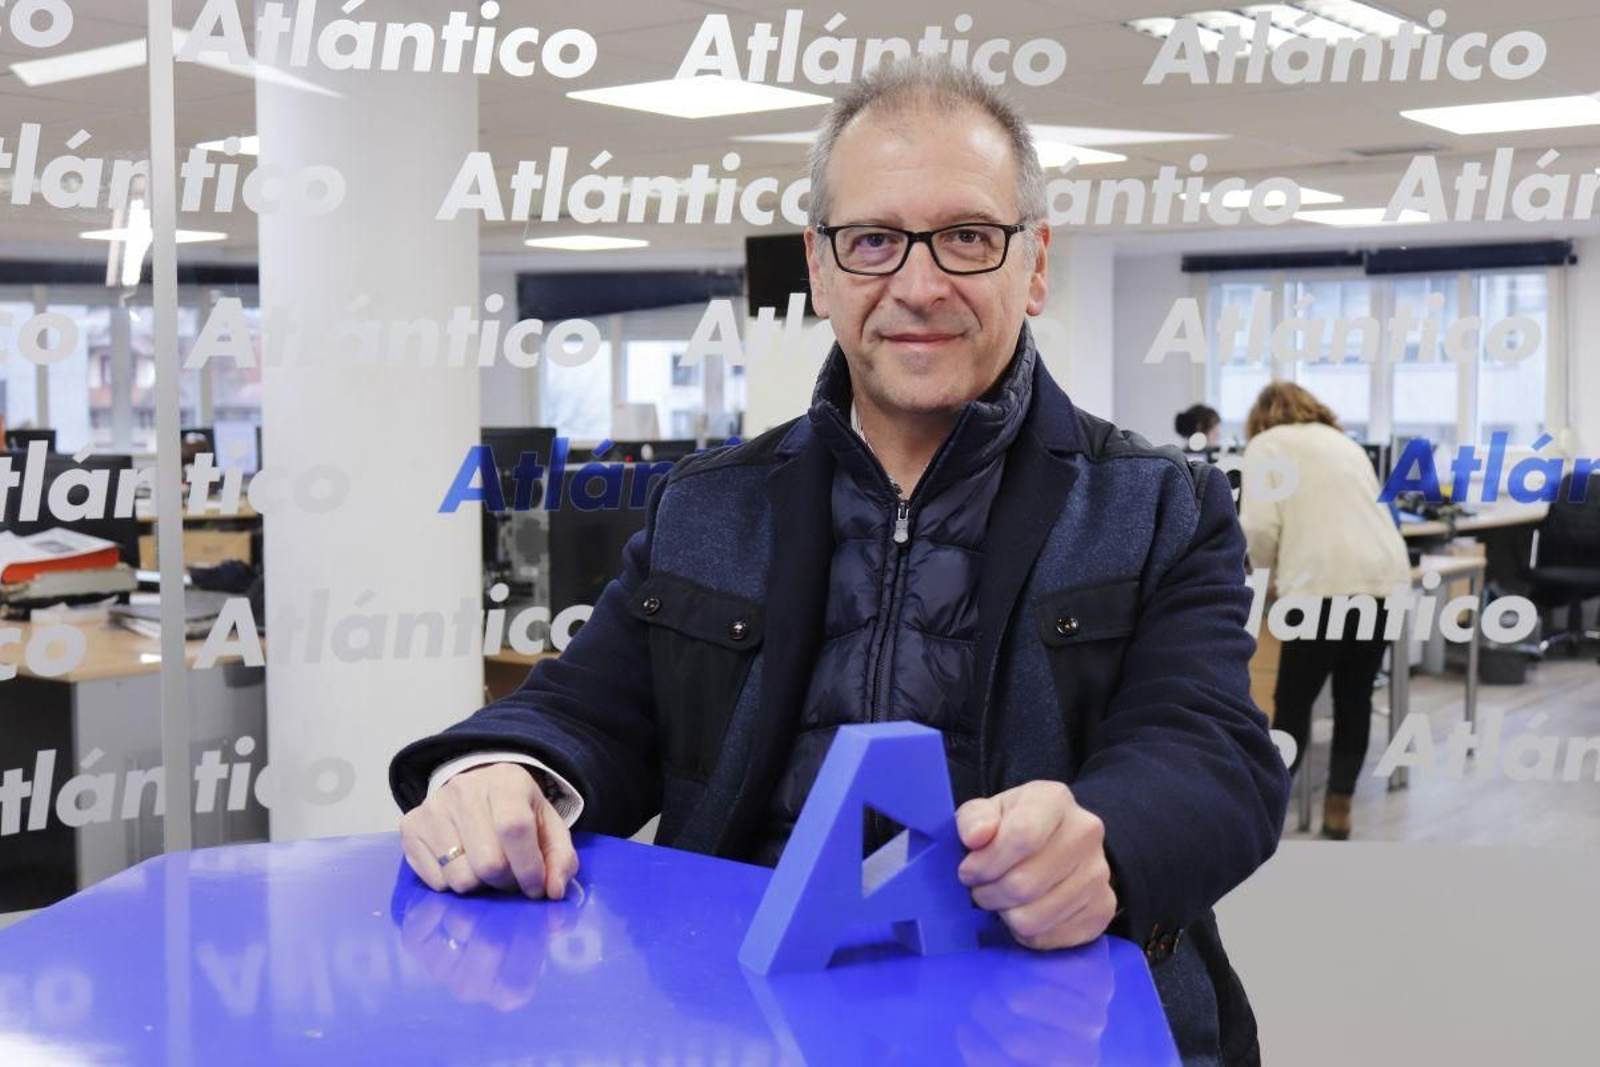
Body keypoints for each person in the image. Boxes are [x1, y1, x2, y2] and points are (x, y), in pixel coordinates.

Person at [390, 58, 1288, 1065]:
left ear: (1032, 263)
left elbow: (1212, 750)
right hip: (743, 1021)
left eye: (966, 236)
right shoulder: (709, 504)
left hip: (1049, 1024)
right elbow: (585, 707)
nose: (917, 283)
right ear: (819, 270)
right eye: (871, 240)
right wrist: (499, 772)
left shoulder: (1157, 504)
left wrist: (1104, 838)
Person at [1238, 382, 1409, 840]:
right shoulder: (1345, 443)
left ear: (1261, 417)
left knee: (1293, 702)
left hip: (1320, 587)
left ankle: (1268, 814)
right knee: (1355, 699)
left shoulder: (1264, 445)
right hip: (1383, 580)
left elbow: (1256, 526)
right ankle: (1339, 810)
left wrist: (1265, 575)